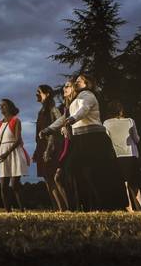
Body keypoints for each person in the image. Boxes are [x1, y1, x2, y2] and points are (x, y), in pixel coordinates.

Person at [40, 75, 127, 211]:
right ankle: (86, 206)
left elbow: (84, 110)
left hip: (94, 138)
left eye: (79, 80)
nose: (76, 82)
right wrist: (48, 129)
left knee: (97, 173)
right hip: (80, 140)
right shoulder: (75, 100)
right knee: (72, 171)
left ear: (87, 83)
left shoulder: (88, 95)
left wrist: (72, 119)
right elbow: (64, 117)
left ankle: (105, 206)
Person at [33, 84, 67, 211]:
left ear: (47, 94)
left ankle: (65, 208)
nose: (36, 94)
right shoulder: (40, 112)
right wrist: (37, 151)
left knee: (54, 178)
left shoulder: (53, 110)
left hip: (52, 147)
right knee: (47, 180)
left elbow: (57, 128)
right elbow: (38, 134)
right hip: (42, 147)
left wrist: (48, 150)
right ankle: (57, 208)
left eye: (39, 92)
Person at [103, 100, 141, 211]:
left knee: (124, 184)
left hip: (117, 155)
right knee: (135, 184)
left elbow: (106, 141)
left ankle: (129, 209)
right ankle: (139, 208)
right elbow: (137, 139)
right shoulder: (130, 121)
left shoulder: (106, 123)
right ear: (121, 111)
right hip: (132, 154)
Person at [0, 98, 29, 211]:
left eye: (3, 105)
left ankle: (22, 209)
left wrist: (6, 154)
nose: (1, 108)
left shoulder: (16, 120)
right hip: (3, 153)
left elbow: (18, 140)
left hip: (14, 153)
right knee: (3, 186)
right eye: (0, 106)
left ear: (9, 107)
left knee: (15, 185)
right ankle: (7, 211)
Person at [53, 79, 76, 210]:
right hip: (67, 144)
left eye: (67, 86)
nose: (64, 89)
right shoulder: (66, 107)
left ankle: (71, 208)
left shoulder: (76, 104)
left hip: (73, 144)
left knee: (62, 177)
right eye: (64, 87)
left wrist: (67, 127)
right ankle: (69, 208)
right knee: (60, 177)